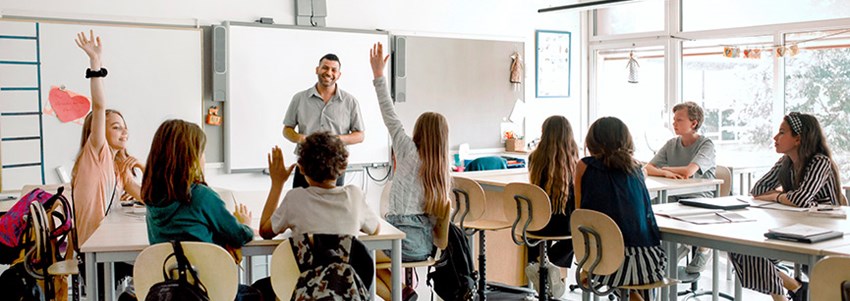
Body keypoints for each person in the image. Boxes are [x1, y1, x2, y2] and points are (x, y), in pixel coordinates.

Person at [730, 112, 845, 301]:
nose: (775, 138)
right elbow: (758, 189)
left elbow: (800, 199)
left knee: (748, 247)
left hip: (824, 232)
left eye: (782, 133)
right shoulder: (786, 162)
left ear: (798, 139)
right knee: (740, 245)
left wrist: (776, 196)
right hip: (795, 227)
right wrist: (784, 197)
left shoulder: (820, 161)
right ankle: (795, 288)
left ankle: (796, 291)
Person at [370, 42, 452, 301]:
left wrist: (378, 76)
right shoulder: (442, 166)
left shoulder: (407, 149)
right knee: (373, 260)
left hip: (400, 239)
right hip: (424, 246)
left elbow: (389, 114)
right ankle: (403, 292)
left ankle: (402, 294)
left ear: (419, 130)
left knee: (361, 260)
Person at [258, 133, 380, 300]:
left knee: (260, 287)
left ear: (300, 167)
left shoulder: (295, 198)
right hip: (346, 290)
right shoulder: (354, 196)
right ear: (344, 166)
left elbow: (265, 231)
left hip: (303, 289)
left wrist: (277, 184)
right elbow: (375, 229)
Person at [575, 117, 667, 301]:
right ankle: (634, 294)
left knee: (607, 264)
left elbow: (580, 215)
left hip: (601, 260)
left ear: (592, 141)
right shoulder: (639, 169)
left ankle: (630, 293)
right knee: (636, 275)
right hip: (646, 261)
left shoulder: (584, 166)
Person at [70, 30, 144, 246]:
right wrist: (95, 62)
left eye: (125, 128)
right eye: (116, 127)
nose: (125, 132)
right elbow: (99, 106)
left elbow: (150, 198)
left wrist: (143, 165)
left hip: (108, 244)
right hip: (93, 249)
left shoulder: (117, 165)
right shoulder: (96, 153)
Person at [142, 119, 253, 249]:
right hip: (205, 269)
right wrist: (246, 225)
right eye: (202, 152)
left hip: (164, 269)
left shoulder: (152, 199)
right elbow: (238, 236)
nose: (204, 158)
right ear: (190, 158)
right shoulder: (202, 197)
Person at [644, 101, 716, 273]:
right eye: (674, 120)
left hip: (699, 197)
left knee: (678, 211)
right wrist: (665, 173)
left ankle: (702, 249)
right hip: (675, 194)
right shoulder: (672, 144)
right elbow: (648, 167)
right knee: (650, 209)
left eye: (679, 120)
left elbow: (688, 171)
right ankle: (670, 251)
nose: (674, 124)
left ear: (694, 123)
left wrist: (665, 169)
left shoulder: (706, 144)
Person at [282, 53, 365, 188]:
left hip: (335, 167)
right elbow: (287, 130)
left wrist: (332, 140)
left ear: (339, 75)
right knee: (300, 207)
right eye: (325, 68)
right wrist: (301, 138)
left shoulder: (350, 102)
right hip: (305, 164)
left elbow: (360, 136)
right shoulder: (299, 98)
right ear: (317, 70)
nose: (329, 73)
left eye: (333, 70)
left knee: (332, 208)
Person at [524, 115, 578, 297]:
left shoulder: (534, 158)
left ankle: (537, 261)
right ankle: (551, 262)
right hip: (565, 225)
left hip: (539, 223)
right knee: (578, 233)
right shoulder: (576, 161)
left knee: (529, 225)